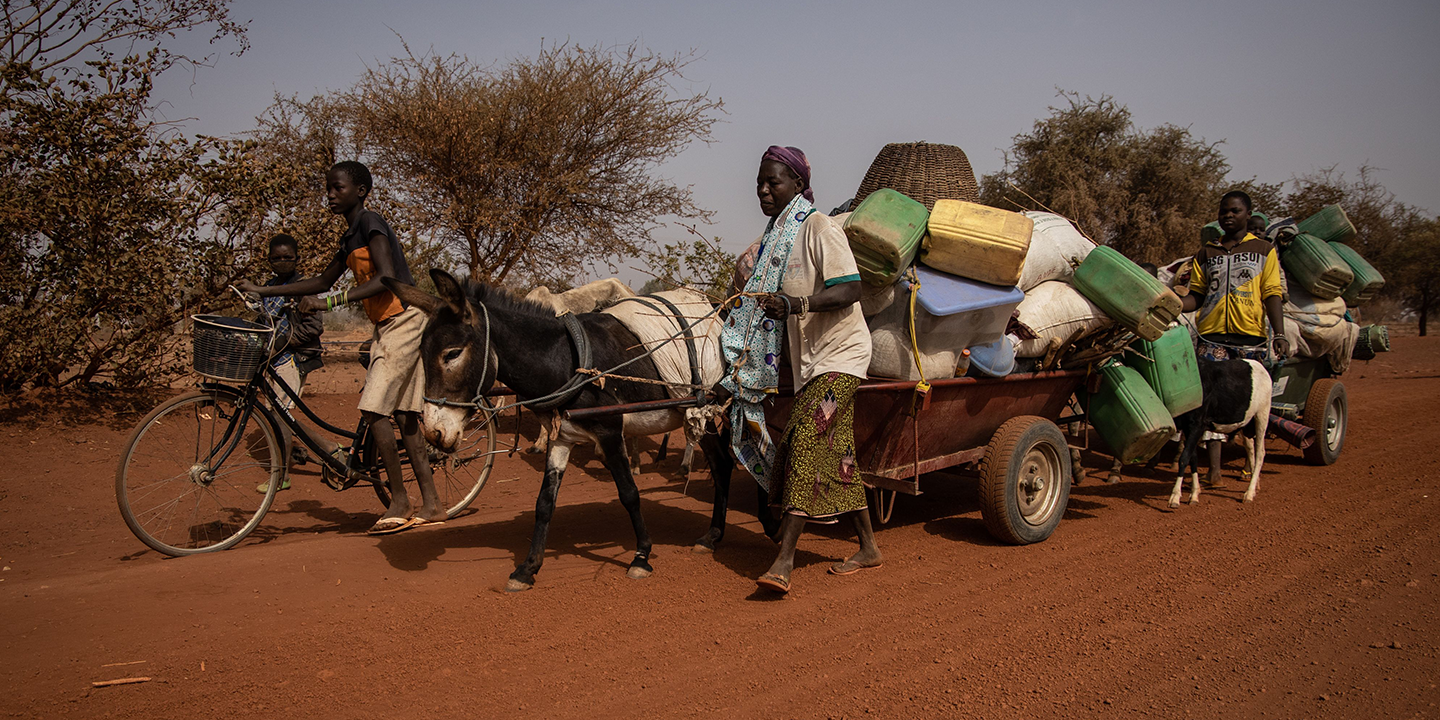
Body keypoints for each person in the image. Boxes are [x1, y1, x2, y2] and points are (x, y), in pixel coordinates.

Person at [239, 161, 444, 535]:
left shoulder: (371, 223)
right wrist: (264, 290)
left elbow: (387, 279)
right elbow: (320, 280)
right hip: (389, 324)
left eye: (338, 188)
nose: (330, 194)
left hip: (406, 319)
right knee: (404, 416)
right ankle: (432, 504)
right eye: (328, 188)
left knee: (374, 408)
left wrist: (330, 303)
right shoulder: (350, 236)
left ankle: (400, 500)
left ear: (360, 190)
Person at [716, 146, 880, 594]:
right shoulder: (773, 239)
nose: (764, 190)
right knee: (840, 454)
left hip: (842, 356)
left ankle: (783, 562)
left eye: (774, 182)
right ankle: (868, 546)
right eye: (760, 183)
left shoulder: (818, 227)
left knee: (804, 441)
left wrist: (796, 304)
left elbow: (850, 289)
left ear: (797, 184)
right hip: (812, 361)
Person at [1177, 190, 1288, 483]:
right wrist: (1175, 302)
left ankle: (1250, 461)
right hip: (1212, 339)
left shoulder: (1264, 250)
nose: (1228, 215)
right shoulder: (1205, 253)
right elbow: (1197, 296)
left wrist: (1280, 334)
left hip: (1250, 338)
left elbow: (1272, 294)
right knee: (1207, 404)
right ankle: (1213, 469)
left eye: (1235, 211)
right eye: (1223, 211)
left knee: (1246, 405)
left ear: (1247, 215)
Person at [255, 233, 326, 493]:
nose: (282, 262)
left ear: (297, 259)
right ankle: (329, 449)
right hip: (271, 362)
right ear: (269, 260)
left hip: (292, 360)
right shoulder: (268, 288)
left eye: (288, 257)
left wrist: (284, 340)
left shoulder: (304, 288)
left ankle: (281, 475)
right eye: (277, 258)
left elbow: (313, 327)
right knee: (276, 415)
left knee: (280, 417)